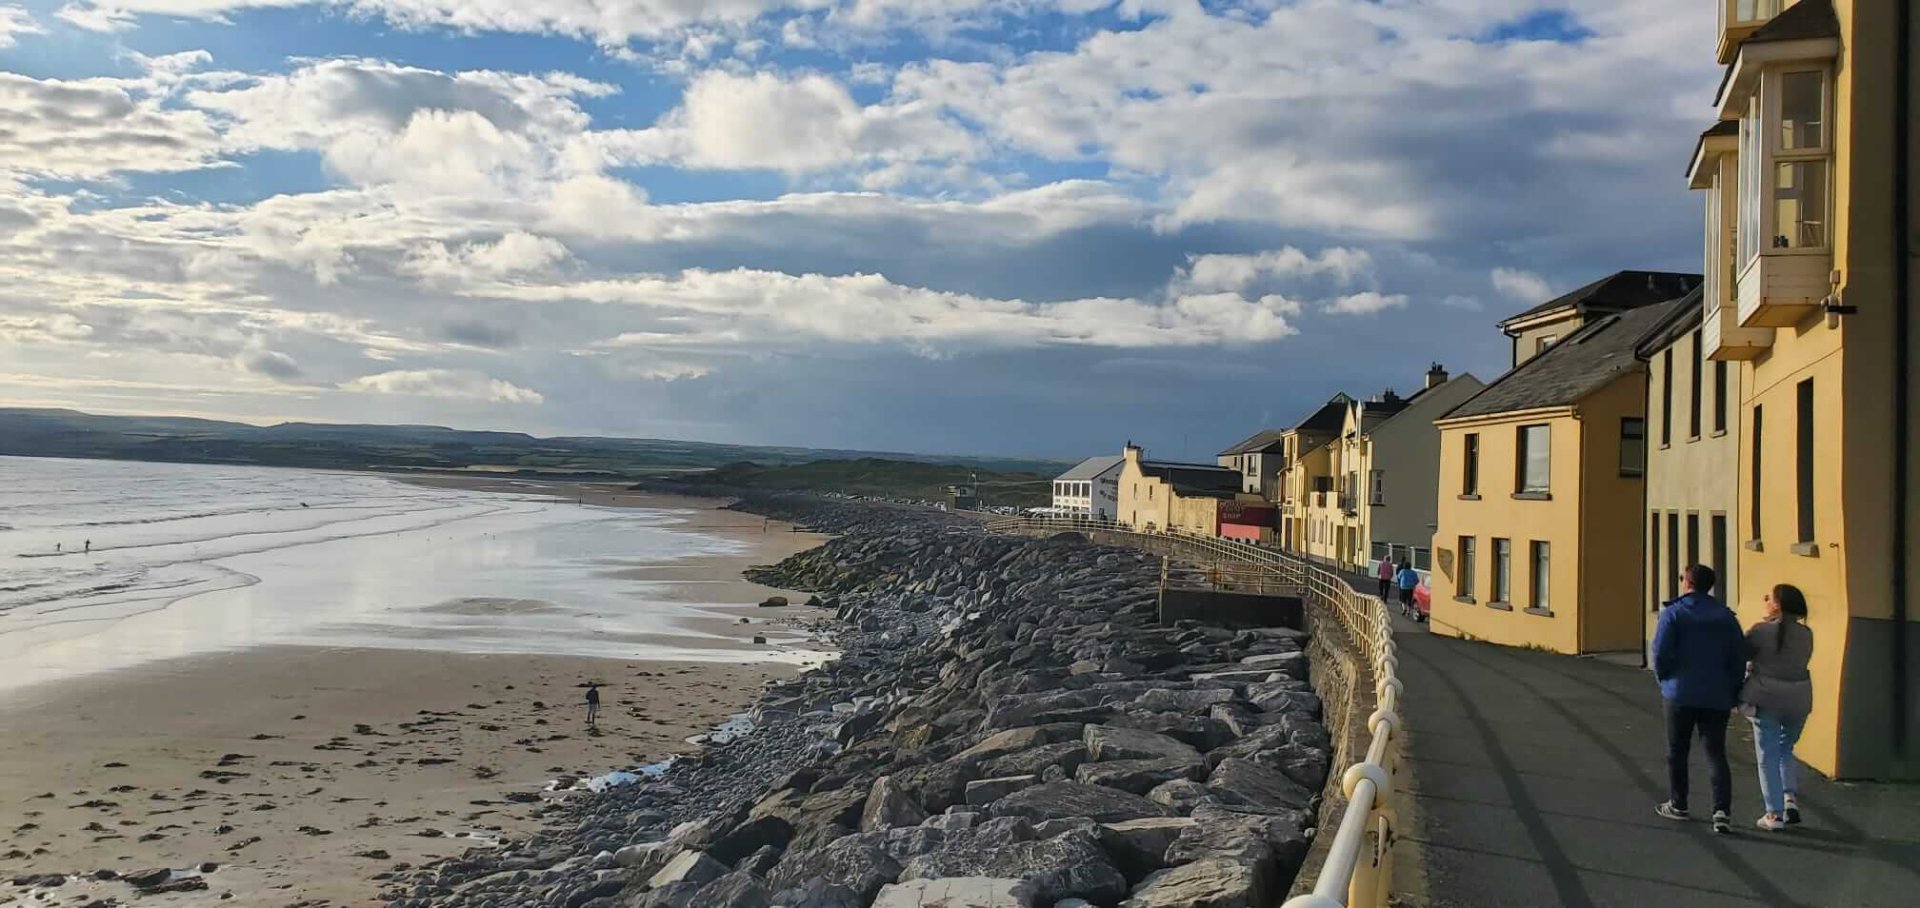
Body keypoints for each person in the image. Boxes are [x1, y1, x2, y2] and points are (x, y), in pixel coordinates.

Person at [1652, 564, 1747, 834]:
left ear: (1687, 582)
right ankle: (1721, 811)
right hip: (1717, 693)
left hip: (1680, 692)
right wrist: (1733, 687)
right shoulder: (1726, 617)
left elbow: (1659, 653)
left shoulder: (1674, 613)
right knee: (1716, 752)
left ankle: (1679, 803)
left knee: (1677, 750)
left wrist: (1666, 679)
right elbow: (1738, 656)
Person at [1743, 584, 1813, 831]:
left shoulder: (1760, 631)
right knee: (1785, 748)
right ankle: (1789, 799)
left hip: (1767, 698)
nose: (1764, 600)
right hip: (1799, 699)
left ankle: (1773, 814)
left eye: (1768, 597)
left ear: (1777, 605)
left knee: (1767, 756)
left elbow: (1741, 653)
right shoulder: (1806, 634)